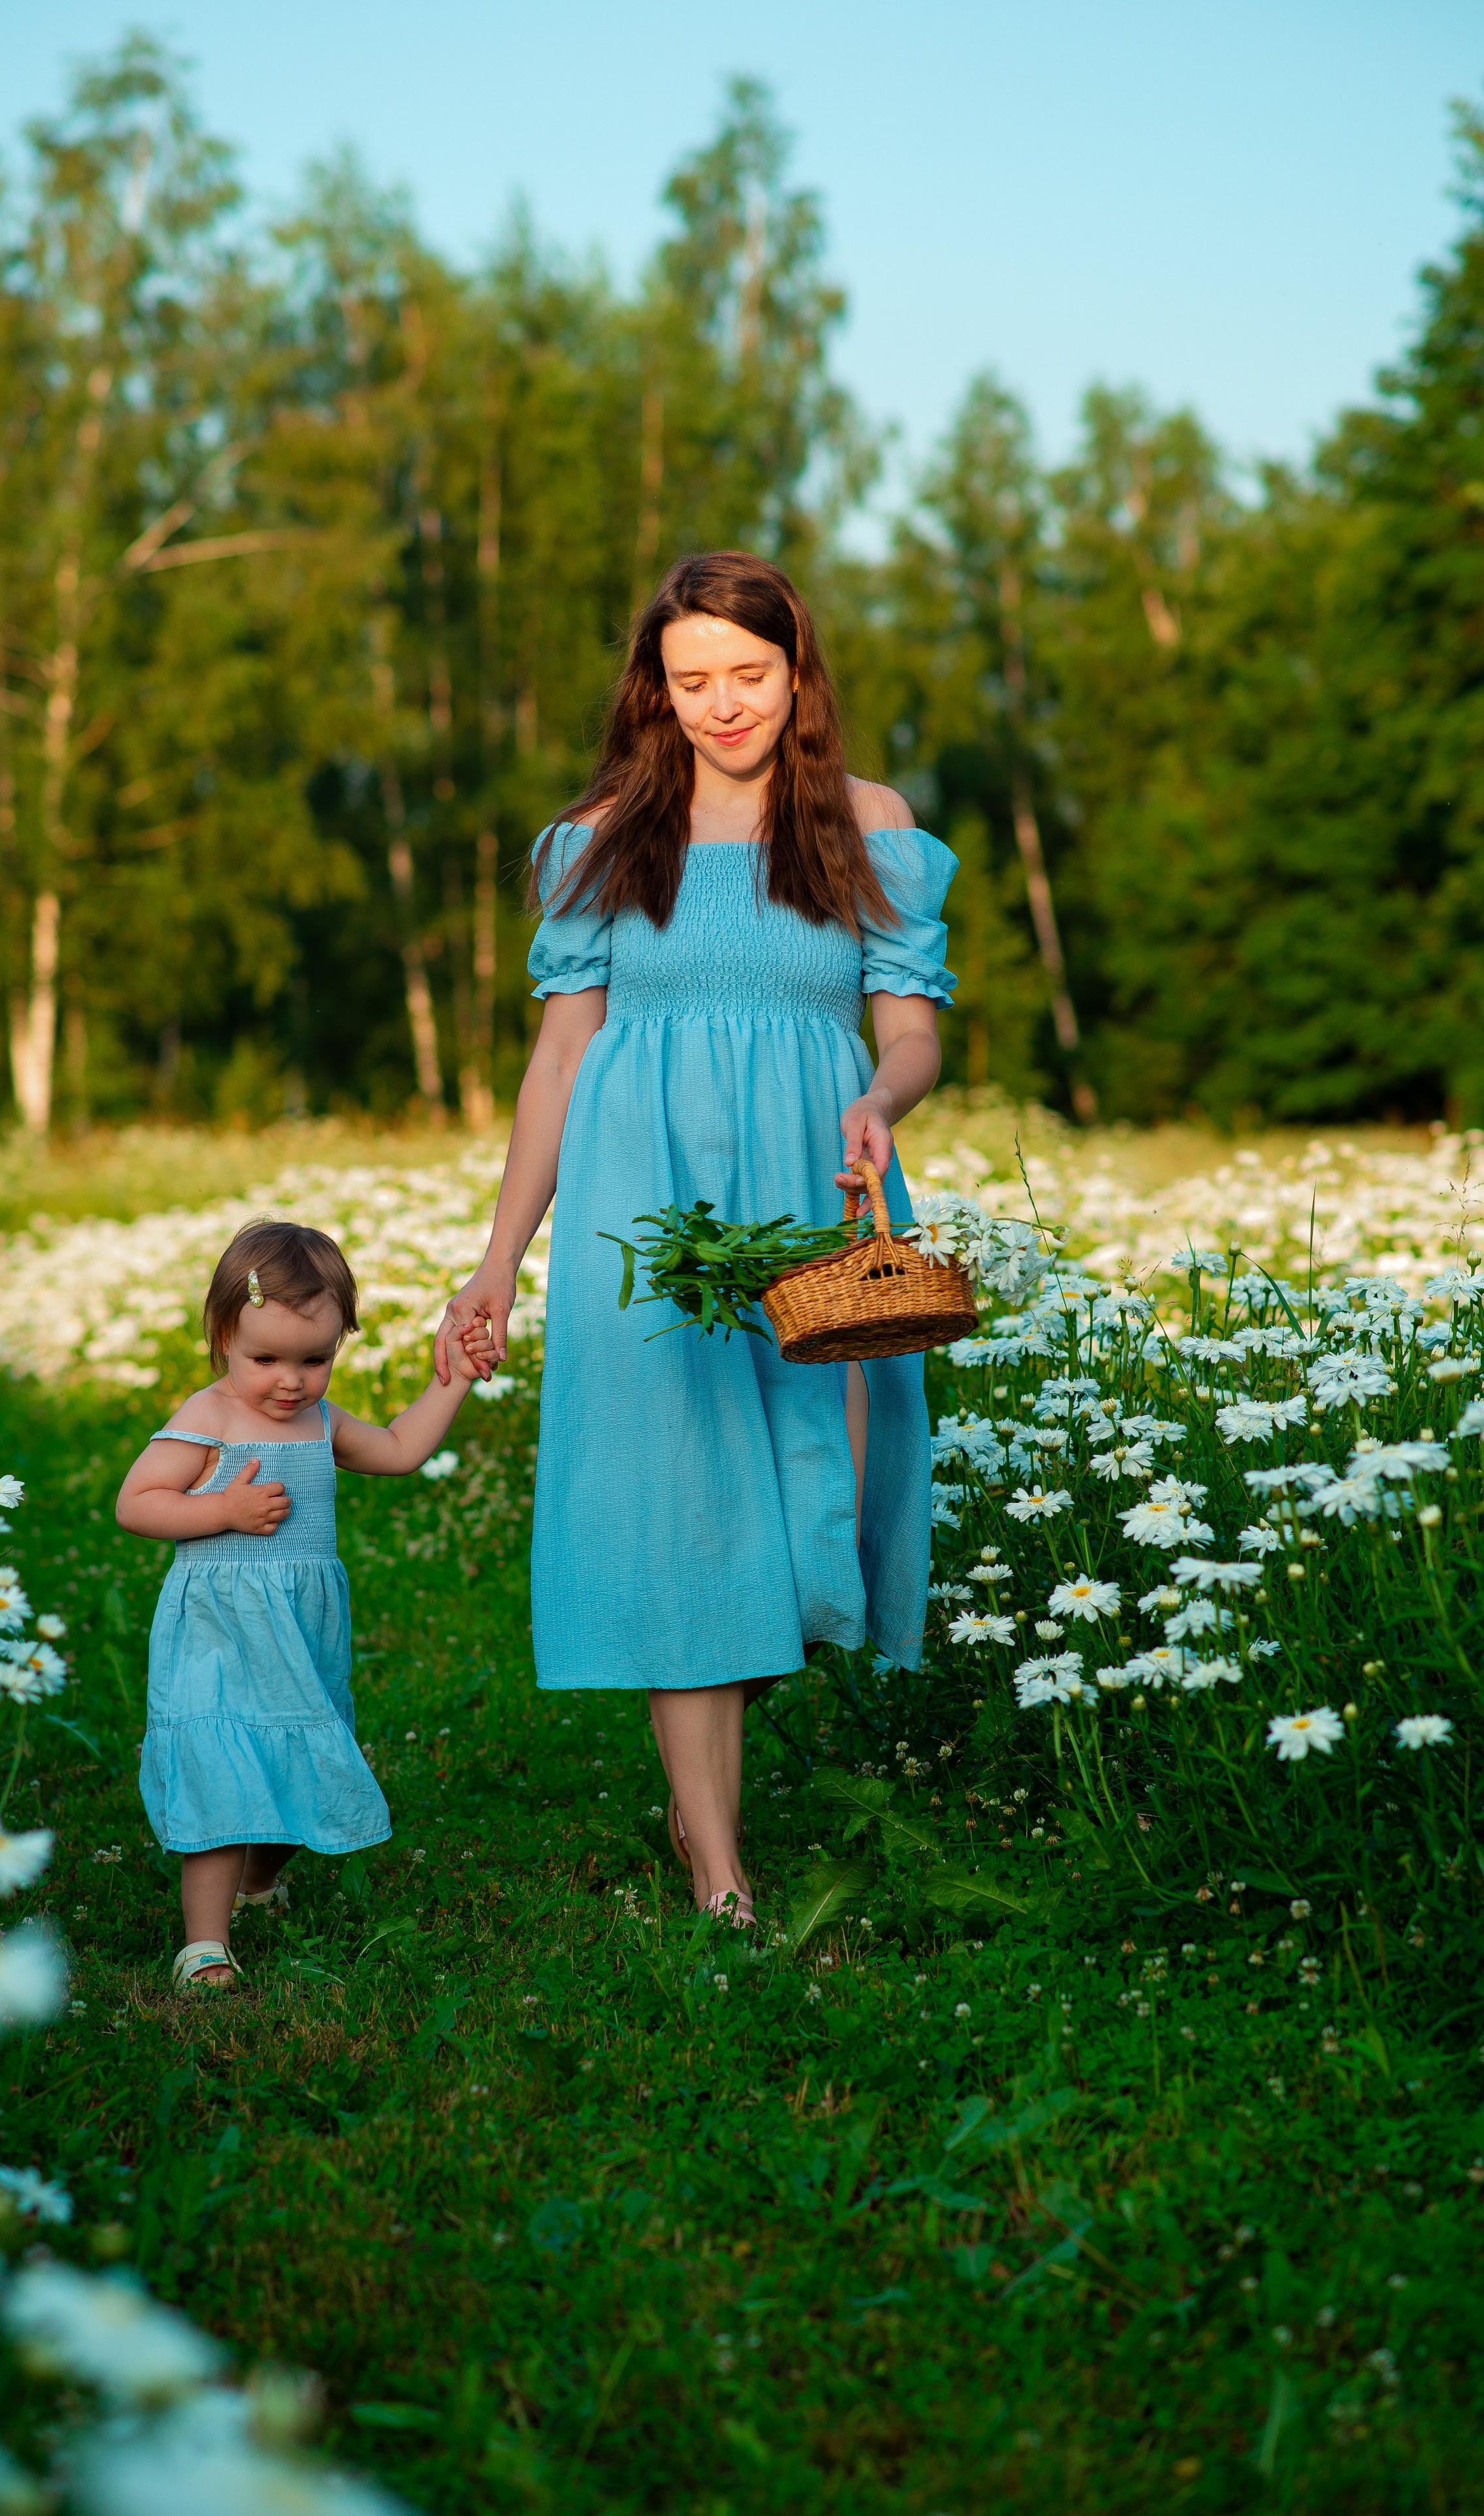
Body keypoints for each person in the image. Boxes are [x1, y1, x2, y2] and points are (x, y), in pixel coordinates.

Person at [435, 550, 955, 1926]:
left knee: (806, 1524)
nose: (721, 705)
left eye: (747, 675)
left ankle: (707, 1783)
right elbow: (557, 1062)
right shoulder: (604, 836)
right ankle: (716, 1860)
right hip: (643, 1214)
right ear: (654, 689)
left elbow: (907, 1025)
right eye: (690, 681)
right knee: (678, 1512)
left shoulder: (864, 823)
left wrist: (877, 1097)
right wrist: (497, 1258)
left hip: (813, 1192)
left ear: (797, 672)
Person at [115, 1218, 489, 1990]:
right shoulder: (209, 1418)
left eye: (315, 1359)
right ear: (223, 1335)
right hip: (220, 1633)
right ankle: (204, 1945)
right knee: (223, 1774)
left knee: (297, 1766)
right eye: (267, 1359)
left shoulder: (321, 1421)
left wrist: (449, 1377)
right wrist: (220, 1511)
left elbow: (398, 1449)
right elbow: (138, 1503)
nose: (291, 1381)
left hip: (298, 1631)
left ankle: (260, 1883)